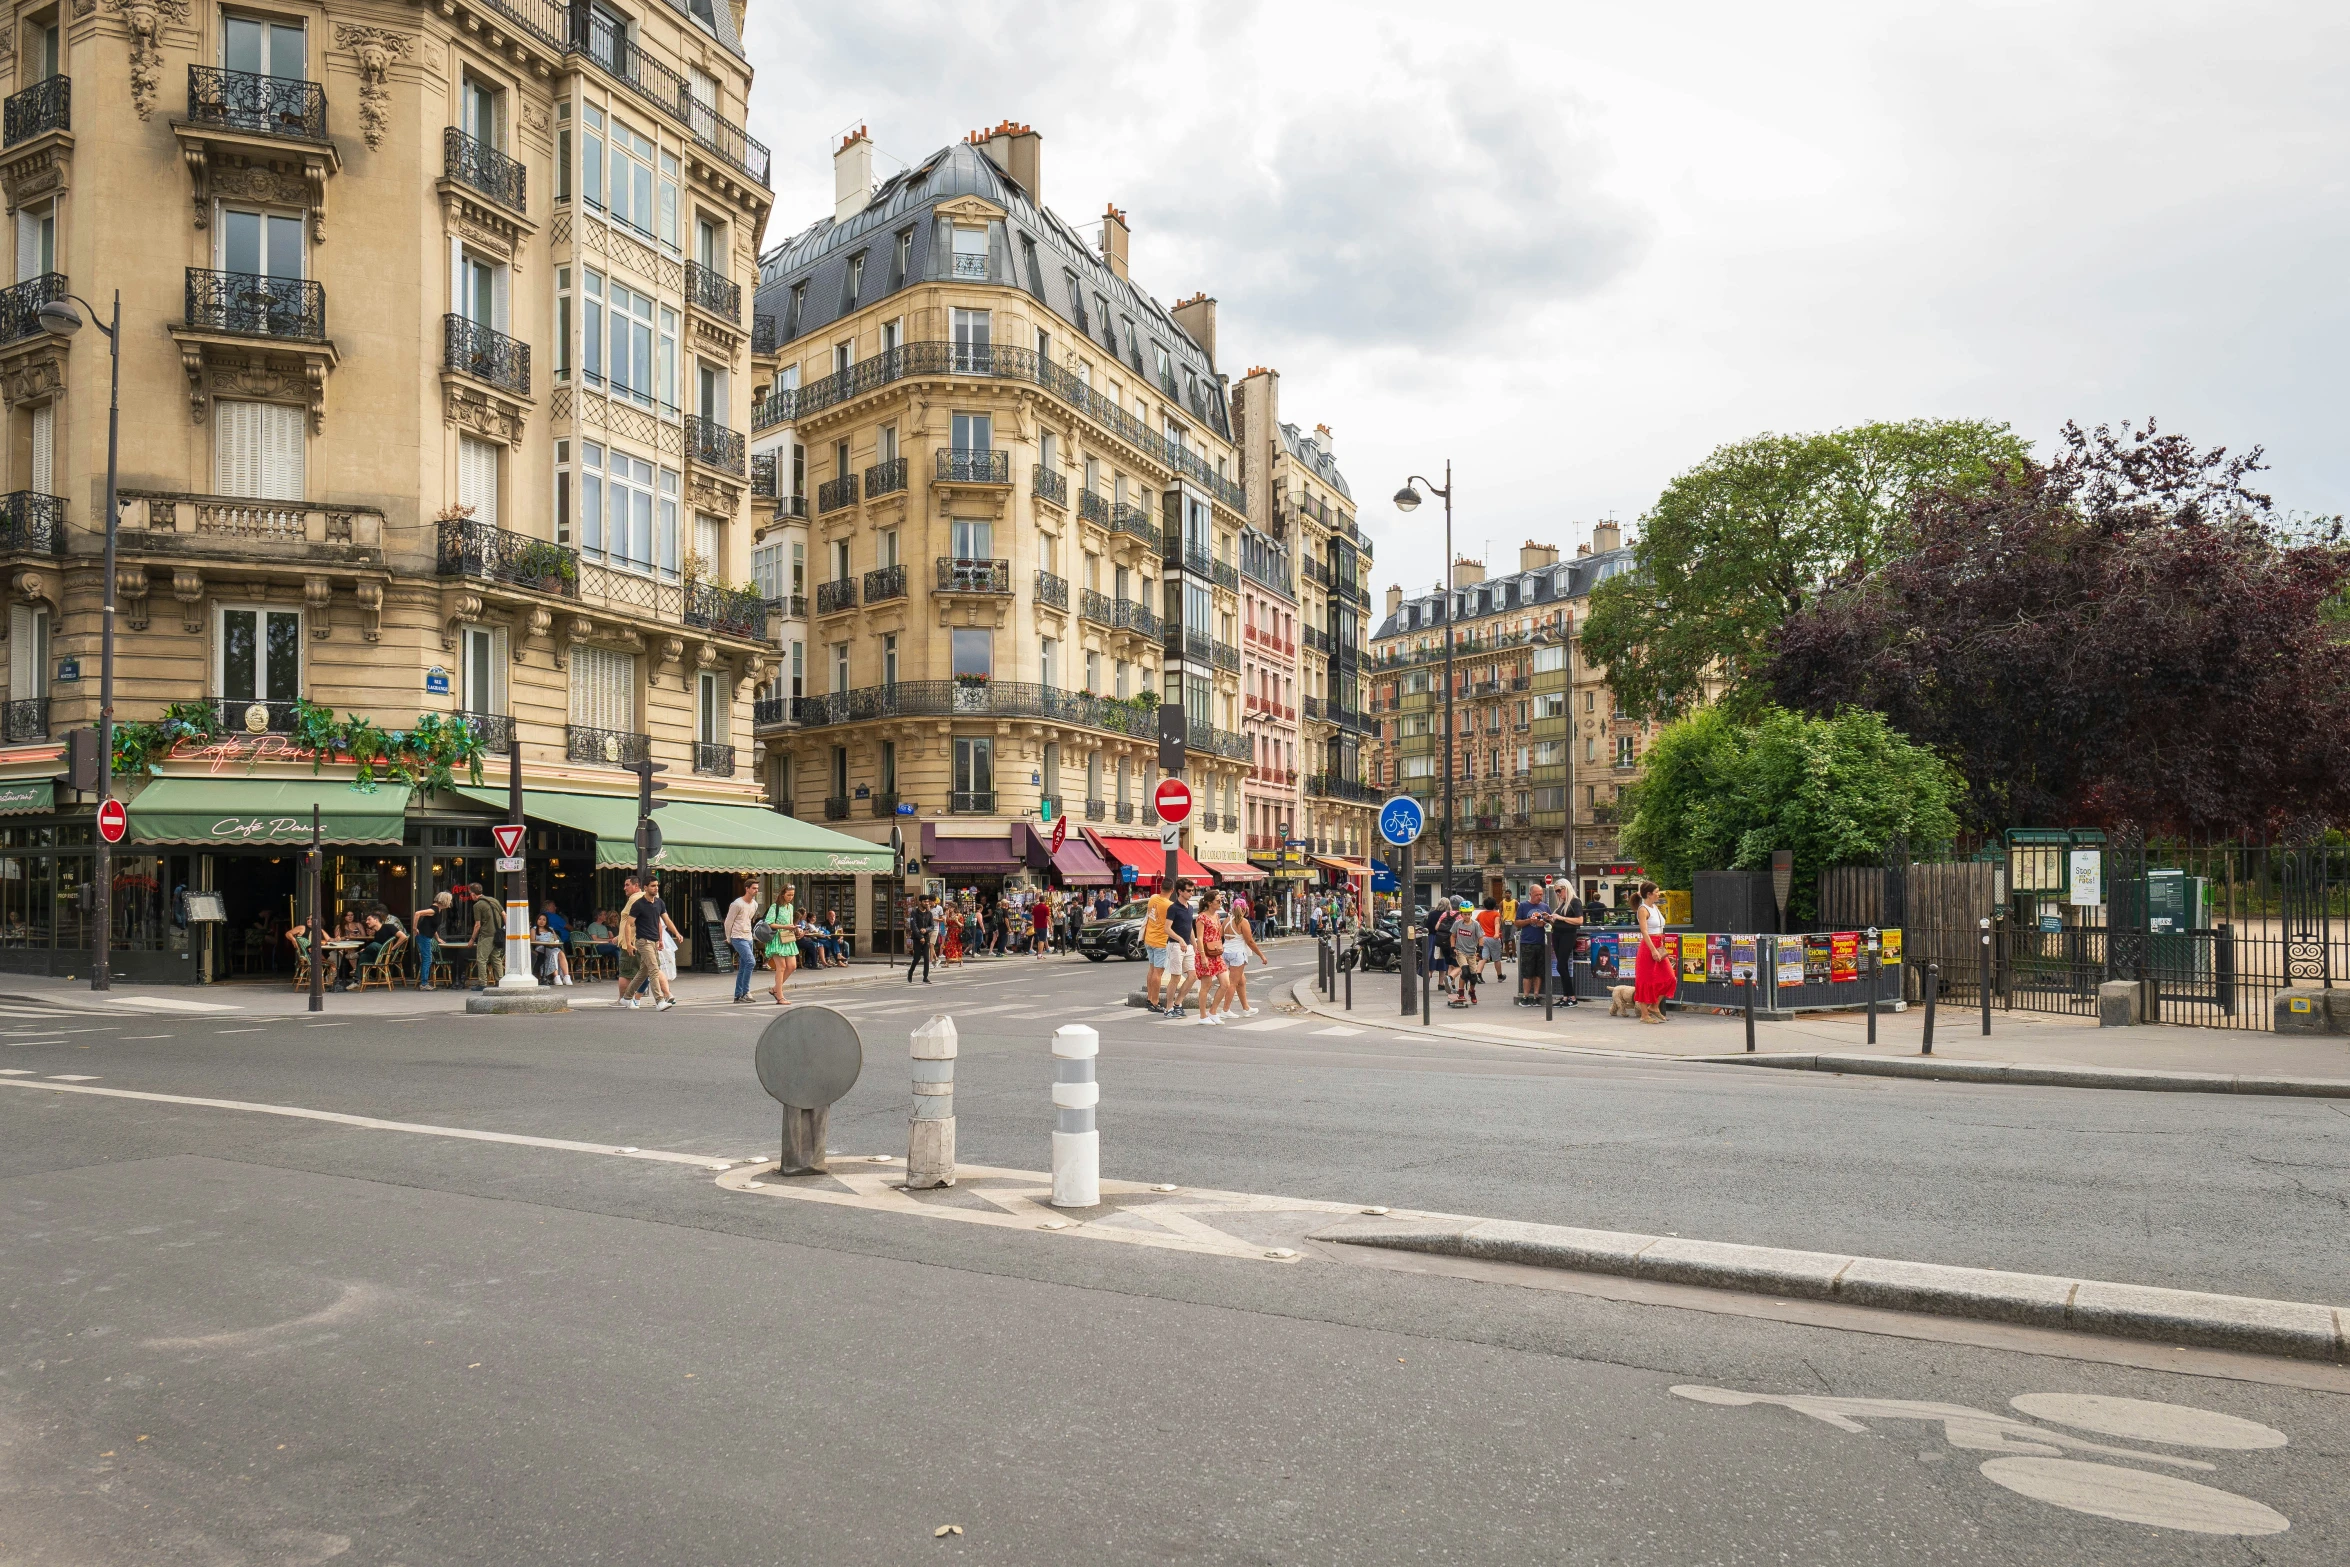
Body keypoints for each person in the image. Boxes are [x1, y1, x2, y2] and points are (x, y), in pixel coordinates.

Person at [621, 874, 674, 1010]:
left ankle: (626, 998)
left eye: (657, 886)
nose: (656, 888)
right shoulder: (638, 904)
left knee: (643, 972)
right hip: (643, 941)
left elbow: (664, 921)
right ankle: (660, 1001)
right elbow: (628, 924)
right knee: (654, 970)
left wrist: (676, 933)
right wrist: (628, 944)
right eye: (653, 886)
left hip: (653, 941)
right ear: (645, 888)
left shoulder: (659, 903)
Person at [1632, 881, 1675, 1024]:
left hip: (1659, 944)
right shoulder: (1643, 909)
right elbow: (1644, 931)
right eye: (1656, 891)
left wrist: (1660, 947)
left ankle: (1654, 1006)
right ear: (1649, 894)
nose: (1658, 893)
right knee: (1645, 980)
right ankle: (1644, 1014)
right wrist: (1653, 950)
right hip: (1649, 946)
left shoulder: (1654, 907)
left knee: (1670, 978)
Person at [1221, 888, 1268, 1018]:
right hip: (1237, 954)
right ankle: (1225, 1010)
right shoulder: (1243, 922)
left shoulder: (1226, 920)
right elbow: (1250, 942)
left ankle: (1246, 1008)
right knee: (1233, 983)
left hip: (1226, 952)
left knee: (1241, 981)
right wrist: (1261, 955)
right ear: (1245, 908)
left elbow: (1221, 936)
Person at [1160, 882, 1201, 1020]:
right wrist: (1180, 940)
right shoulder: (1173, 908)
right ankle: (1169, 1007)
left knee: (1193, 975)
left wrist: (1195, 946)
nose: (1191, 893)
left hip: (1188, 946)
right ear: (1180, 891)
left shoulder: (1190, 908)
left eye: (1192, 890)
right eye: (1188, 891)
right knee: (1176, 977)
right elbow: (1167, 928)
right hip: (1175, 946)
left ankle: (1178, 1003)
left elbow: (1189, 927)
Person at [1191, 889, 1229, 1025]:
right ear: (1209, 903)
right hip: (1205, 953)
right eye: (1218, 901)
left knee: (1225, 983)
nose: (1220, 903)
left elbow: (1218, 934)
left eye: (1221, 900)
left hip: (1216, 953)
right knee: (1206, 985)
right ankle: (1202, 1016)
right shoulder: (1202, 917)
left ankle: (1213, 1011)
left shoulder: (1217, 916)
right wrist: (1202, 956)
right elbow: (1199, 938)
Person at [1549, 877, 1585, 1008]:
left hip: (1567, 935)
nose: (1558, 894)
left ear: (1566, 888)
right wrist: (1550, 918)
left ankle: (1572, 996)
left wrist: (1561, 918)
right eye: (1556, 891)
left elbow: (1580, 920)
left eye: (1559, 890)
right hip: (1558, 933)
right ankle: (1566, 996)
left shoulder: (1575, 901)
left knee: (1561, 965)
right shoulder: (1562, 904)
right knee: (1562, 966)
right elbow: (1559, 920)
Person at [723, 881, 761, 1001]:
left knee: (744, 965)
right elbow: (728, 922)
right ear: (747, 889)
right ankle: (746, 992)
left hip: (748, 936)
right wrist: (729, 937)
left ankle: (738, 995)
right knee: (751, 962)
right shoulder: (737, 904)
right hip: (737, 937)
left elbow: (749, 919)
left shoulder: (754, 904)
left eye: (757, 888)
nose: (756, 890)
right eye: (754, 888)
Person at [1513, 884, 1551, 1005]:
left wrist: (1544, 923)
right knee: (1527, 971)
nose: (1539, 897)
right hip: (1527, 942)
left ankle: (1536, 995)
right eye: (1536, 895)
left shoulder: (1545, 906)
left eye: (1541, 894)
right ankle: (1525, 996)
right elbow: (1517, 923)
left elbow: (1550, 923)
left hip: (1540, 942)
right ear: (1530, 894)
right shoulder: (1523, 906)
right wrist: (1529, 921)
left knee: (1539, 971)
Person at [760, 883, 797, 1004]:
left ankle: (776, 989)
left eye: (792, 895)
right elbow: (769, 923)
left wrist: (794, 928)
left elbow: (790, 922)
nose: (791, 897)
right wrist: (784, 926)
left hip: (788, 937)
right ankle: (780, 996)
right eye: (788, 895)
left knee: (792, 966)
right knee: (781, 967)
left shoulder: (790, 907)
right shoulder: (774, 906)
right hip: (777, 938)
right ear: (782, 894)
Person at [1142, 881, 1174, 1011]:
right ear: (1172, 890)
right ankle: (1155, 1002)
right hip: (1161, 941)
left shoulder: (1153, 898)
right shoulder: (1169, 905)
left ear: (1161, 888)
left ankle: (1150, 998)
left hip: (1149, 938)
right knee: (1158, 972)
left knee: (1151, 970)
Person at [468, 883, 502, 990]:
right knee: (496, 958)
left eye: (470, 894)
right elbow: (504, 914)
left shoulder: (477, 905)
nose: (470, 896)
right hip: (497, 935)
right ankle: (500, 981)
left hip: (487, 935)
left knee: (481, 959)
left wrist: (472, 939)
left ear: (473, 894)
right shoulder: (494, 900)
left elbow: (477, 924)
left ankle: (482, 983)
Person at [533, 901, 574, 986]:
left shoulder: (550, 929)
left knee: (561, 953)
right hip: (541, 947)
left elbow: (555, 939)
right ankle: (556, 977)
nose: (542, 921)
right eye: (540, 919)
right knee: (554, 953)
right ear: (537, 920)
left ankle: (566, 976)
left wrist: (554, 943)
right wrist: (545, 943)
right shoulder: (534, 929)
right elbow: (532, 941)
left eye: (544, 920)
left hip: (551, 947)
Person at [414, 892, 445, 991]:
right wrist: (414, 928)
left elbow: (432, 925)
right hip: (423, 936)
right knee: (427, 959)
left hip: (427, 936)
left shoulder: (439, 910)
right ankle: (424, 983)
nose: (450, 902)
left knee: (427, 959)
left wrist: (437, 938)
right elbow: (417, 913)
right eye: (449, 900)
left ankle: (424, 982)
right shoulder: (433, 909)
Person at [906, 893, 935, 983]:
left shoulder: (929, 913)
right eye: (925, 901)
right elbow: (913, 926)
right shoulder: (914, 912)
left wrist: (926, 930)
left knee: (926, 958)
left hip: (926, 938)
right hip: (917, 938)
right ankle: (910, 972)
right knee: (917, 958)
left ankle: (925, 977)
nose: (927, 903)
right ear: (920, 902)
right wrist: (920, 936)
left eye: (928, 901)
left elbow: (932, 926)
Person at [1476, 895, 1504, 983]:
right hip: (1493, 938)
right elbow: (1496, 924)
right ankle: (1499, 976)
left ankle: (1478, 974)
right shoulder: (1496, 914)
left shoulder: (1480, 914)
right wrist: (1496, 933)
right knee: (1496, 958)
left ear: (1484, 905)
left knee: (1483, 957)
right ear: (1494, 905)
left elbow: (1476, 924)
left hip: (1483, 938)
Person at [1031, 894, 1054, 958]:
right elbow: (1048, 918)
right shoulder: (1046, 908)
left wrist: (1033, 925)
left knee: (1039, 940)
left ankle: (1039, 953)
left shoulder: (1035, 908)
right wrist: (1051, 927)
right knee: (1042, 940)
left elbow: (1033, 917)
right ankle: (1039, 954)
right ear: (1045, 900)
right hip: (1043, 926)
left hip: (1037, 926)